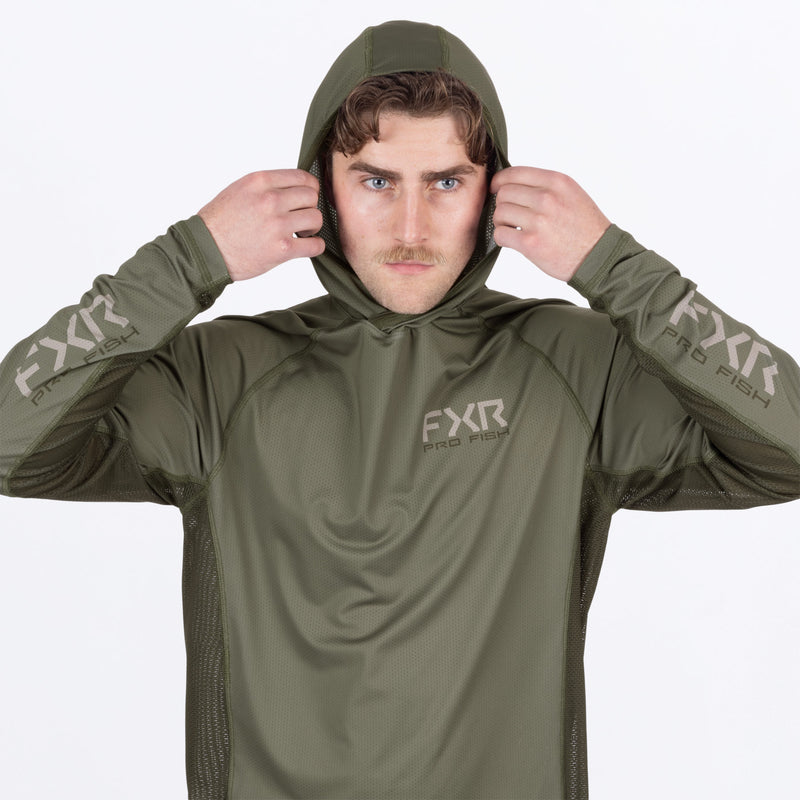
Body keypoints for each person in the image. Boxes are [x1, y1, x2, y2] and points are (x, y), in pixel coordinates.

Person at [0, 18, 797, 800]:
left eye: (446, 182)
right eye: (376, 181)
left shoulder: (577, 367)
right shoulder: (219, 378)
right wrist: (185, 261)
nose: (411, 228)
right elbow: (11, 440)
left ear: (494, 192)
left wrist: (618, 267)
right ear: (321, 190)